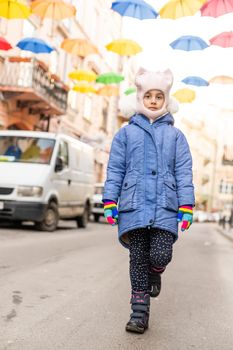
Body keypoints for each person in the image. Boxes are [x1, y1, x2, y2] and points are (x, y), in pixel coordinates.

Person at [102, 68, 195, 334]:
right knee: (137, 259)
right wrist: (110, 200)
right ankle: (139, 314)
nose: (153, 101)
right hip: (133, 206)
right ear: (140, 98)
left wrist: (186, 206)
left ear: (166, 100)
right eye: (149, 96)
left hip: (166, 204)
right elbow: (115, 169)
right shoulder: (125, 134)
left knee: (160, 254)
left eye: (159, 96)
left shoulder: (176, 137)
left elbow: (184, 171)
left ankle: (157, 270)